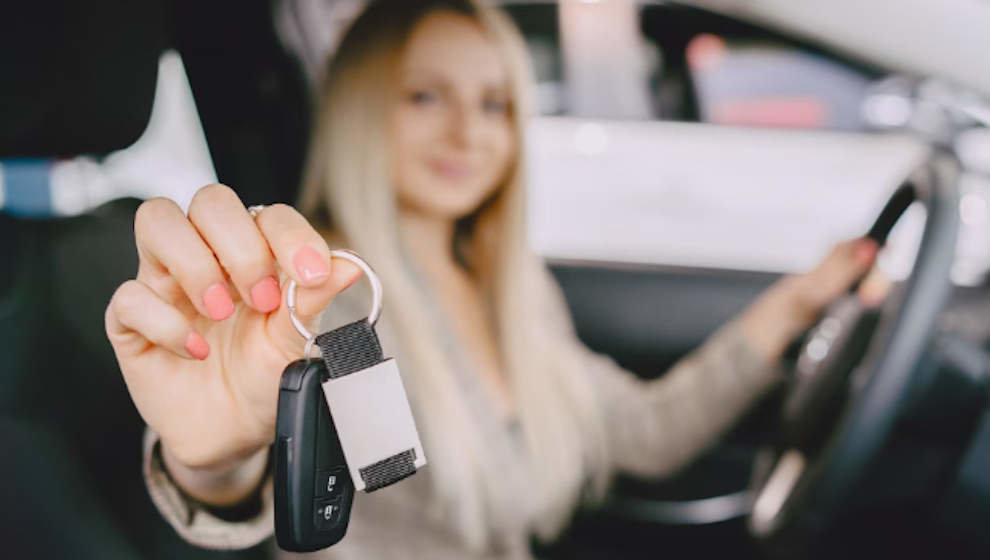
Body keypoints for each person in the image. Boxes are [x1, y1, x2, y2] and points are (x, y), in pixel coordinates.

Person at [104, 0, 880, 557]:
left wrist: (796, 307)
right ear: (361, 107)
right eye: (425, 95)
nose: (468, 132)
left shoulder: (507, 284)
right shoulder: (322, 295)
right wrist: (208, 464)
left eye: (497, 104)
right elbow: (262, 488)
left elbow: (644, 433)